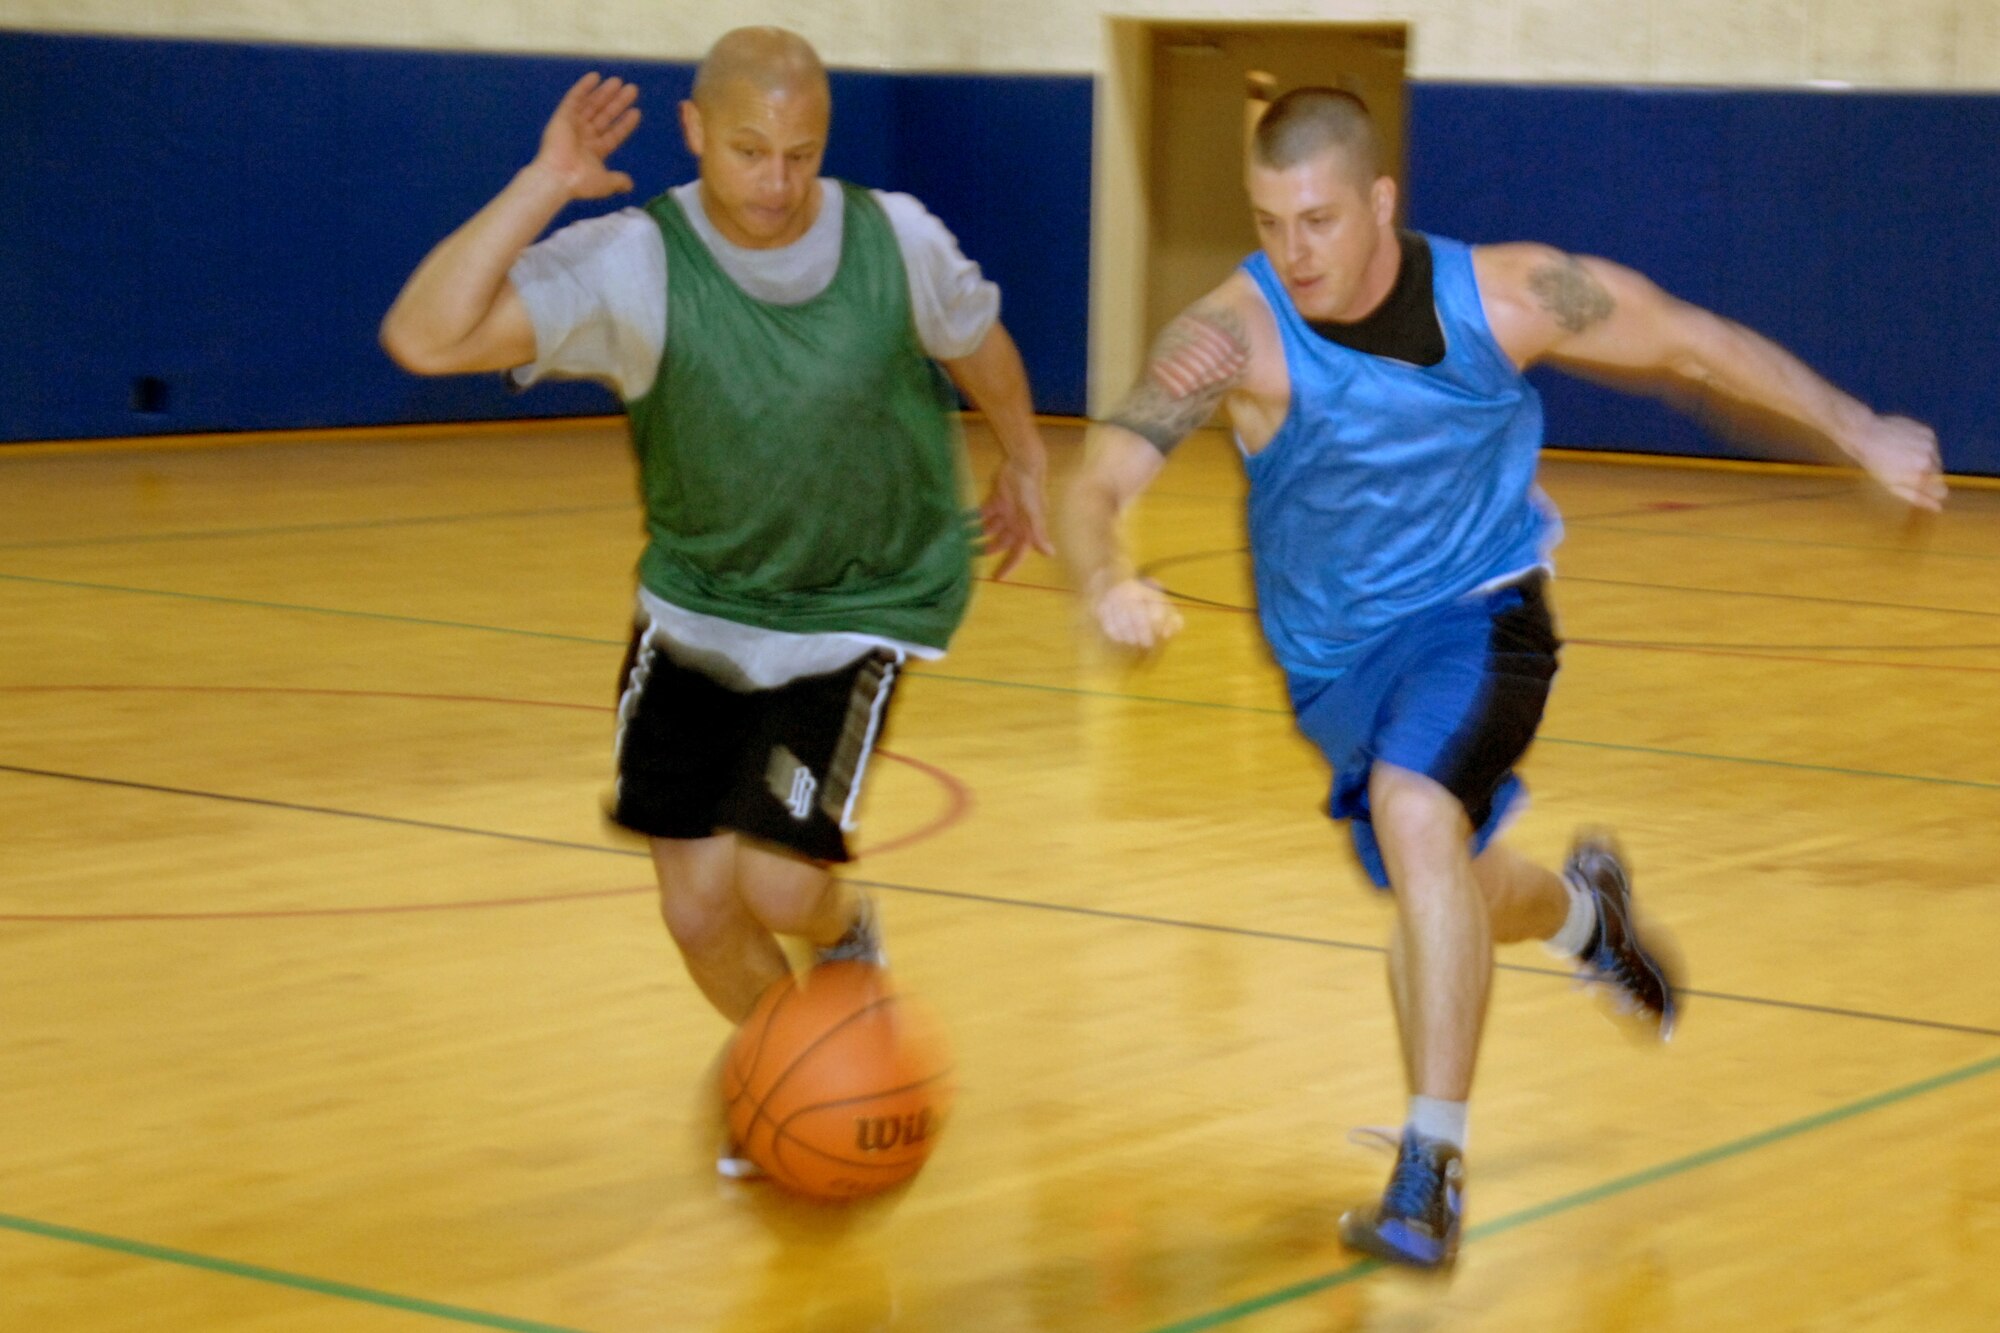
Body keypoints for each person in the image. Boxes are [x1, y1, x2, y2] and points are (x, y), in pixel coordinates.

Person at [1062, 88, 1944, 1271]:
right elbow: (1096, 479)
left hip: (1481, 618)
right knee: (1459, 886)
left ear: (1379, 201)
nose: (1292, 250)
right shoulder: (1234, 332)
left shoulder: (1508, 294)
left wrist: (1861, 432)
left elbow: (1684, 339)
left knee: (1415, 810)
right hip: (1334, 676)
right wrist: (1105, 574)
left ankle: (1430, 1170)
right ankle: (1589, 915)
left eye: (1317, 219)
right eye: (1270, 222)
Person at [380, 27, 1052, 1172]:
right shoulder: (634, 263)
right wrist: (544, 181)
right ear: (694, 133)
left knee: (781, 879)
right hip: (698, 608)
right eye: (750, 152)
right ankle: (789, 1083)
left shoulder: (893, 237)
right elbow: (422, 335)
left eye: (801, 154)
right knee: (696, 910)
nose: (778, 184)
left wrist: (1026, 457)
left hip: (863, 598)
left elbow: (974, 336)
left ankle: (848, 944)